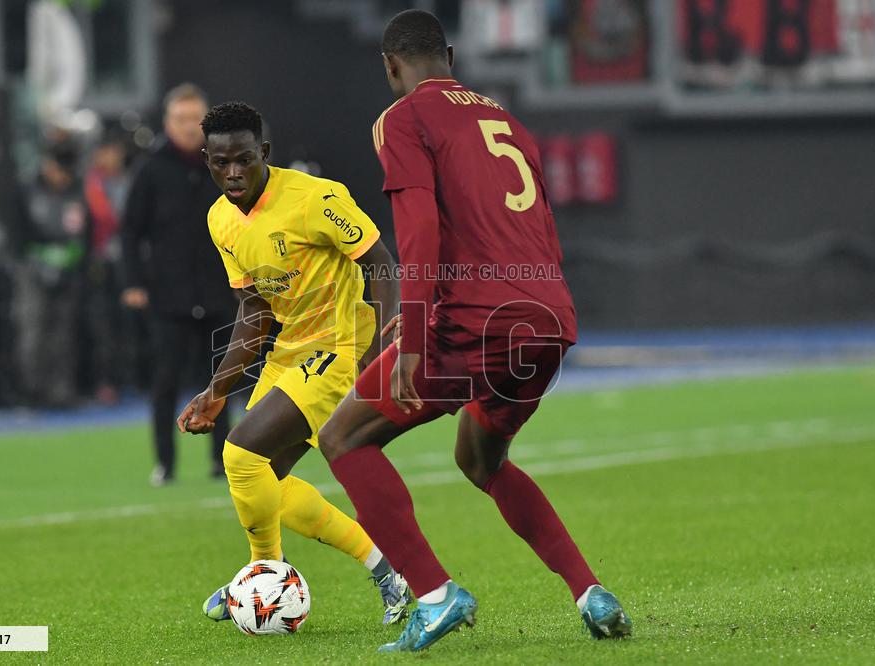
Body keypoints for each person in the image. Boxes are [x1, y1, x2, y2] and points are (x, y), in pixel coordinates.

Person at [317, 9, 632, 652]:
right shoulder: (507, 121)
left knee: (344, 438)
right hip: (545, 322)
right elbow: (540, 229)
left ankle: (433, 595)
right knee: (480, 459)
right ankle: (589, 592)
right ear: (451, 56)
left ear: (390, 67)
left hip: (475, 325)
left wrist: (413, 344)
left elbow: (420, 233)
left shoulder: (405, 118)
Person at [176, 102, 410, 625]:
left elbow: (381, 263)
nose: (232, 173)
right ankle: (387, 570)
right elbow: (254, 312)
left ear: (264, 153)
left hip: (343, 345)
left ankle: (263, 573)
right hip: (290, 352)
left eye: (242, 159)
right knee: (265, 483)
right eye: (219, 163)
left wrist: (384, 350)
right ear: (207, 160)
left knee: (239, 455)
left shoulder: (316, 198)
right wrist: (217, 390)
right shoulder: (221, 219)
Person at [120, 83, 237, 485]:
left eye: (196, 119)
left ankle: (223, 460)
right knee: (165, 380)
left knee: (223, 378)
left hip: (220, 289)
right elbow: (131, 230)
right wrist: (133, 280)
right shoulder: (151, 169)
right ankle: (165, 463)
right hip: (168, 295)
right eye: (181, 119)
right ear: (168, 122)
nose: (190, 127)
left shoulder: (224, 164)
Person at [16, 142, 88, 407]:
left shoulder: (77, 190)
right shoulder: (27, 189)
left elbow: (86, 231)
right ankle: (32, 392)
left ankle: (61, 392)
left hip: (68, 269)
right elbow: (16, 232)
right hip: (32, 269)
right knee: (33, 331)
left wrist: (73, 256)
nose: (63, 176)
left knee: (64, 333)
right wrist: (36, 258)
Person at [83, 130, 130, 404]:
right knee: (102, 326)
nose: (111, 157)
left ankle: (124, 378)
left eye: (115, 151)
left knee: (125, 324)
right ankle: (103, 381)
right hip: (100, 264)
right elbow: (107, 218)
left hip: (125, 263)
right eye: (107, 151)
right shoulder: (93, 183)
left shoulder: (127, 180)